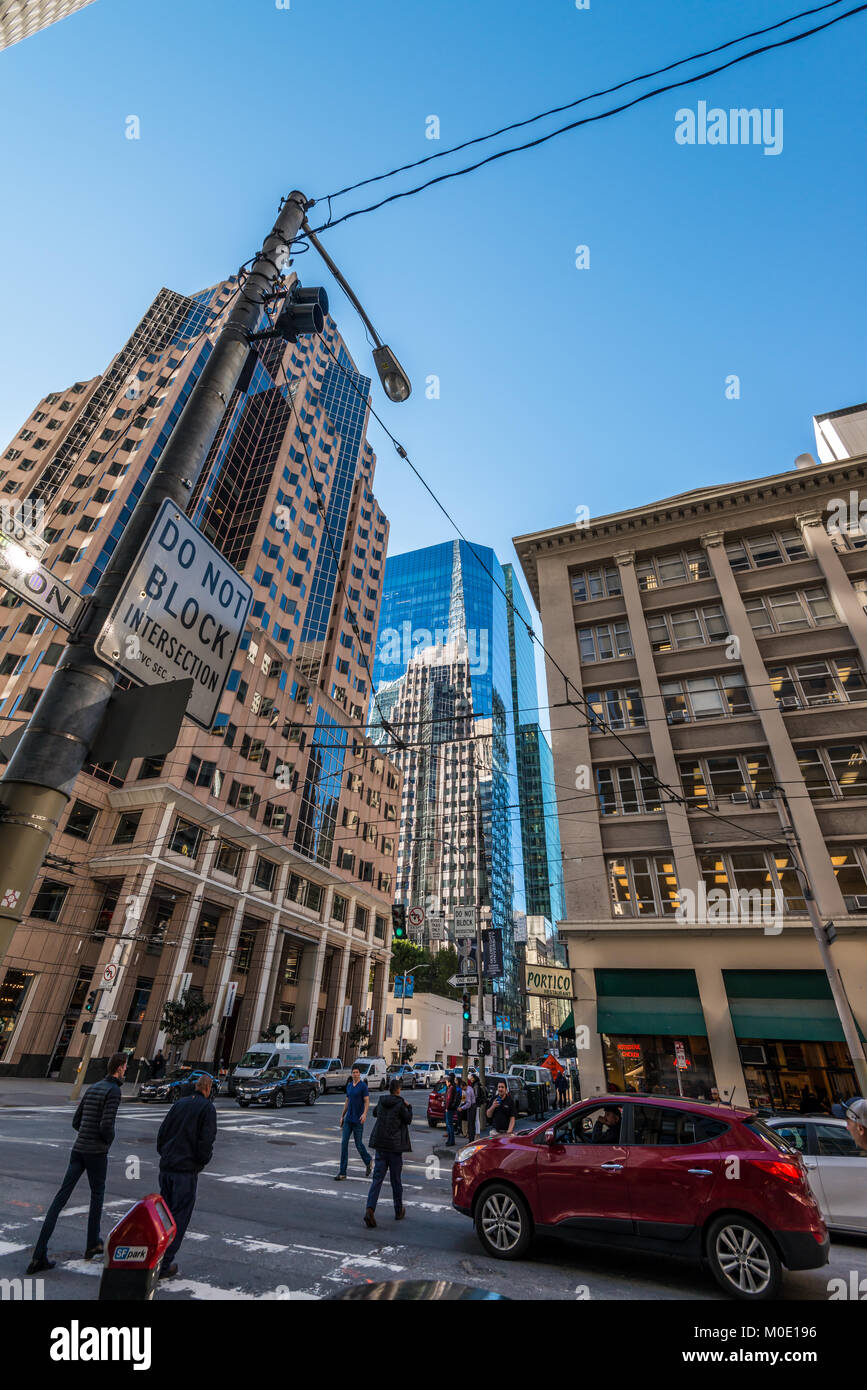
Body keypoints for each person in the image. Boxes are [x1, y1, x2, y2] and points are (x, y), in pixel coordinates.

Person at [26, 1052, 128, 1274]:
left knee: (60, 1199)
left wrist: (86, 1134)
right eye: (125, 1066)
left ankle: (38, 1254)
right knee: (97, 1195)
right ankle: (92, 1243)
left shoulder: (93, 1087)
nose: (126, 1070)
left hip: (78, 1148)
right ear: (119, 1067)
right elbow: (106, 1125)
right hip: (96, 1152)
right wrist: (106, 1141)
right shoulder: (113, 1091)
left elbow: (76, 1121)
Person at [155, 1073, 217, 1279]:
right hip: (185, 1171)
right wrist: (200, 1162)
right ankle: (164, 1264)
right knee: (180, 1217)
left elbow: (162, 1133)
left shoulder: (179, 1104)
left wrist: (165, 1153)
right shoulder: (207, 1108)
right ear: (208, 1090)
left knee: (165, 1215)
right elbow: (206, 1141)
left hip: (167, 1167)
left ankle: (156, 1258)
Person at [363, 1079, 412, 1228]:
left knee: (377, 1179)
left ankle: (370, 1209)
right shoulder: (400, 1103)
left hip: (381, 1145)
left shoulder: (382, 1101)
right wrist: (409, 1107)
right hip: (395, 1147)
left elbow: (375, 1113)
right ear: (398, 1090)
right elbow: (408, 1119)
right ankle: (398, 1210)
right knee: (396, 1180)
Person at [335, 1064, 372, 1180]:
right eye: (353, 1072)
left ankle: (368, 1161)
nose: (355, 1074)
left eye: (357, 1072)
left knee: (358, 1144)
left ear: (359, 1074)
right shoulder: (350, 1086)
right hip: (348, 1120)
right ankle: (342, 1172)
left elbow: (367, 1101)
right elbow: (347, 1101)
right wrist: (342, 1116)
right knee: (344, 1144)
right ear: (351, 1074)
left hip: (358, 1120)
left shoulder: (363, 1086)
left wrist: (365, 1114)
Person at [458, 1074, 477, 1142]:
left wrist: (462, 1108)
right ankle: (470, 1137)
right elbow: (463, 1099)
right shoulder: (465, 1090)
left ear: (465, 1086)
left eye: (462, 1088)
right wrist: (460, 1105)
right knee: (469, 1123)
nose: (462, 1089)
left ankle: (471, 1140)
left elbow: (468, 1104)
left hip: (472, 1107)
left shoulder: (468, 1091)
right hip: (469, 1106)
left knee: (471, 1124)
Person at [443, 1073, 458, 1146]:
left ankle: (451, 1141)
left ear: (449, 1081)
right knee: (449, 1125)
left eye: (446, 1081)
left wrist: (446, 1108)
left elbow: (449, 1099)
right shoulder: (451, 1087)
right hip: (450, 1108)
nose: (445, 1083)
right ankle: (450, 1140)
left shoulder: (451, 1088)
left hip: (449, 1109)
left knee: (449, 1125)